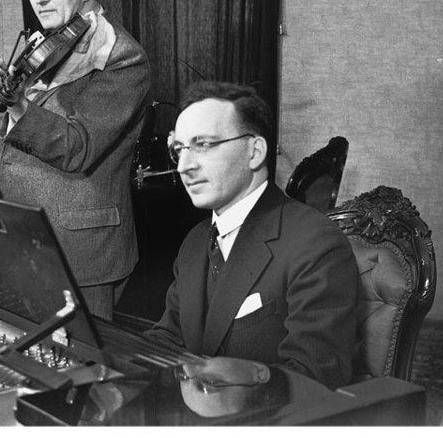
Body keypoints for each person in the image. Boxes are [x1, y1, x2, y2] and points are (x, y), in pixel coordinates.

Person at [0, 0, 151, 320]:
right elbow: (2, 141)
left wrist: (19, 102)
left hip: (79, 251)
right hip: (23, 237)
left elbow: (77, 147)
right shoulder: (48, 43)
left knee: (82, 368)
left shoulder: (122, 57)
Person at [145, 81, 357, 389]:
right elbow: (169, 337)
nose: (184, 166)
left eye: (203, 145)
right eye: (179, 149)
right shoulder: (195, 240)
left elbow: (312, 379)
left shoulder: (317, 244)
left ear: (254, 152)